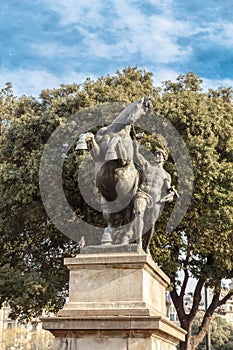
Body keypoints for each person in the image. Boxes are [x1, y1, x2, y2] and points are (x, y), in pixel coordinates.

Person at [133, 140, 178, 254]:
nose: (157, 156)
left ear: (164, 158)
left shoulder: (166, 174)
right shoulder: (148, 166)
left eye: (160, 154)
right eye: (156, 154)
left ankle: (146, 246)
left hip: (156, 200)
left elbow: (168, 189)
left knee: (151, 223)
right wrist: (136, 146)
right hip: (142, 194)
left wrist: (171, 194)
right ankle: (138, 243)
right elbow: (137, 156)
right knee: (138, 213)